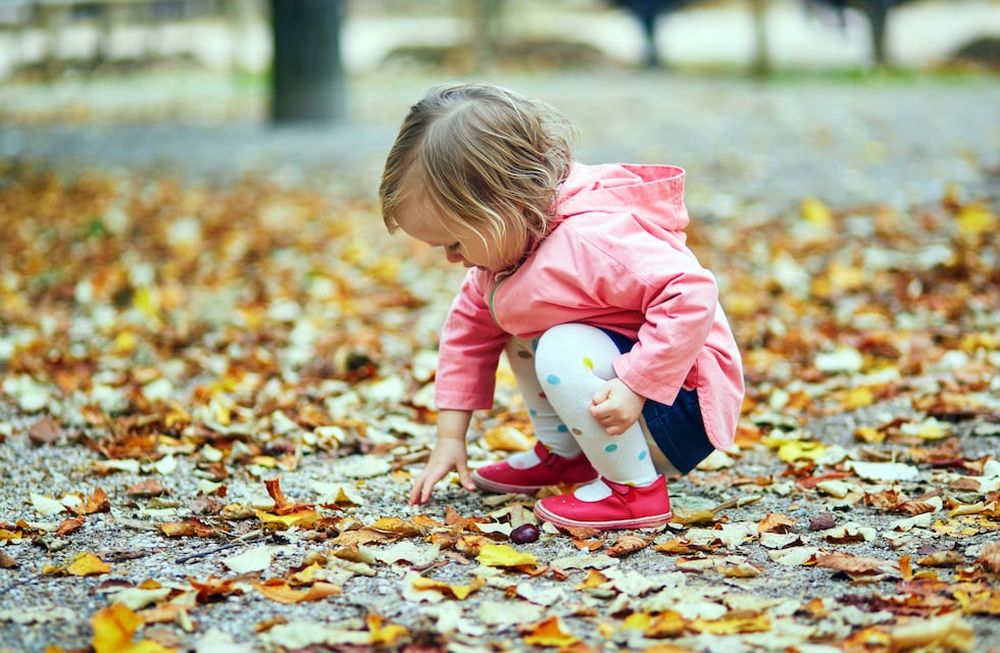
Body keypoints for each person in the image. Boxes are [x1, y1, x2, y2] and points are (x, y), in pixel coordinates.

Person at [379, 82, 744, 530]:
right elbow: (465, 336)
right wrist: (449, 437)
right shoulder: (505, 257)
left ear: (505, 204)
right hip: (622, 411)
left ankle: (634, 492)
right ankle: (567, 456)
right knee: (507, 321)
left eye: (454, 242)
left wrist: (637, 385)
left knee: (560, 345)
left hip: (676, 405)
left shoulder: (593, 238)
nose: (452, 259)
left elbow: (691, 293)